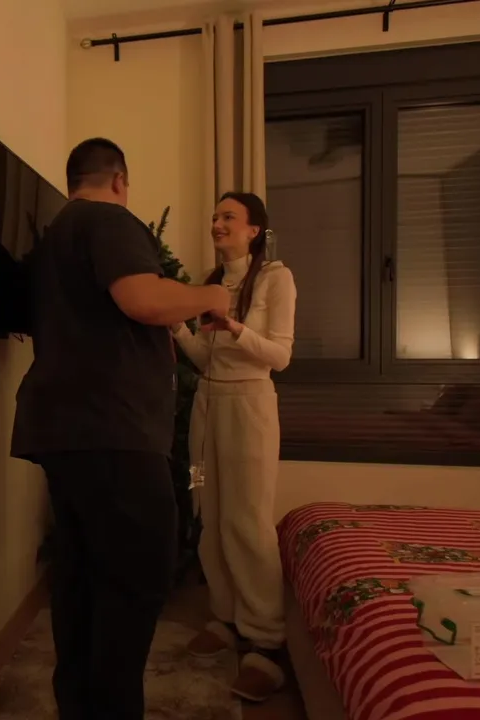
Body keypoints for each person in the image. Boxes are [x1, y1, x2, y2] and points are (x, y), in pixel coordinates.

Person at [10, 137, 232, 719]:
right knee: (139, 574)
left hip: (68, 430)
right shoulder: (107, 220)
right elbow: (142, 298)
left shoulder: (54, 236)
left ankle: (80, 707)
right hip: (112, 428)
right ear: (118, 180)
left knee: (82, 580)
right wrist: (211, 293)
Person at [171, 192, 296, 703]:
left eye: (229, 217)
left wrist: (236, 328)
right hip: (207, 408)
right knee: (208, 508)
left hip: (250, 408)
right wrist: (177, 326)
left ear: (253, 230)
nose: (217, 224)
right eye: (215, 217)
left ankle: (266, 641)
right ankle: (225, 616)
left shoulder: (275, 279)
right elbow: (205, 359)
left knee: (246, 521)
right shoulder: (210, 284)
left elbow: (280, 357)